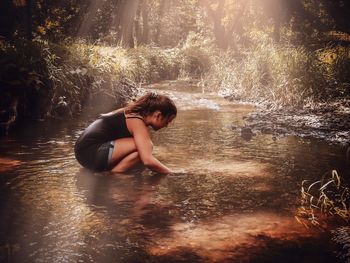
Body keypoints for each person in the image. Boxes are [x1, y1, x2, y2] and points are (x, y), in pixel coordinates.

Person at [74, 92, 177, 174]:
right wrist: (171, 173)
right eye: (167, 121)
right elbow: (148, 160)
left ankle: (111, 173)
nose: (167, 125)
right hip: (90, 152)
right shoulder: (136, 120)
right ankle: (113, 175)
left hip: (83, 153)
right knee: (145, 148)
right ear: (158, 115)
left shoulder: (132, 112)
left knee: (141, 152)